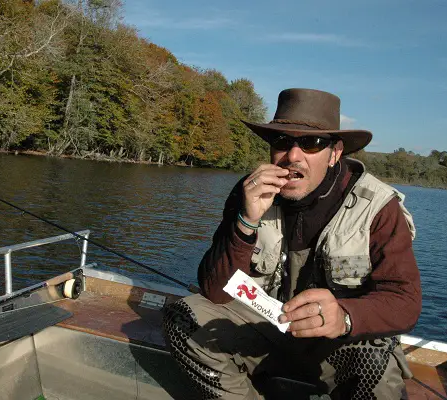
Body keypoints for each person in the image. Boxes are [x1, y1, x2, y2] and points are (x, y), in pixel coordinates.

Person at [162, 88, 422, 399]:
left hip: (338, 340)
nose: (292, 156)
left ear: (335, 153)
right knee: (183, 320)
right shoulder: (249, 193)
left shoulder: (379, 207)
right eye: (282, 142)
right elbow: (214, 290)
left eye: (311, 143)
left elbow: (405, 301)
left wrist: (344, 316)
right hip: (267, 326)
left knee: (375, 362)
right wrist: (246, 221)